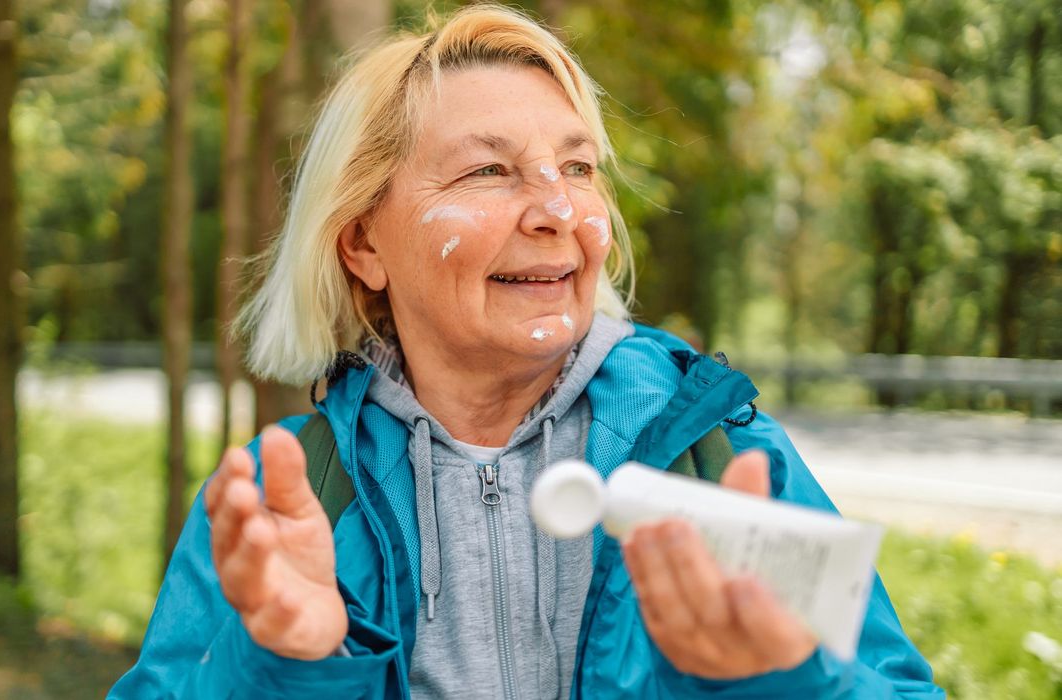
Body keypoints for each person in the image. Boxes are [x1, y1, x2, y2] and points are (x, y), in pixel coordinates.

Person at [111, 5, 943, 698]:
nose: (559, 211)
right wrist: (281, 669)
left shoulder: (721, 455)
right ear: (363, 243)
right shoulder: (282, 501)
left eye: (577, 169)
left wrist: (778, 683)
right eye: (488, 173)